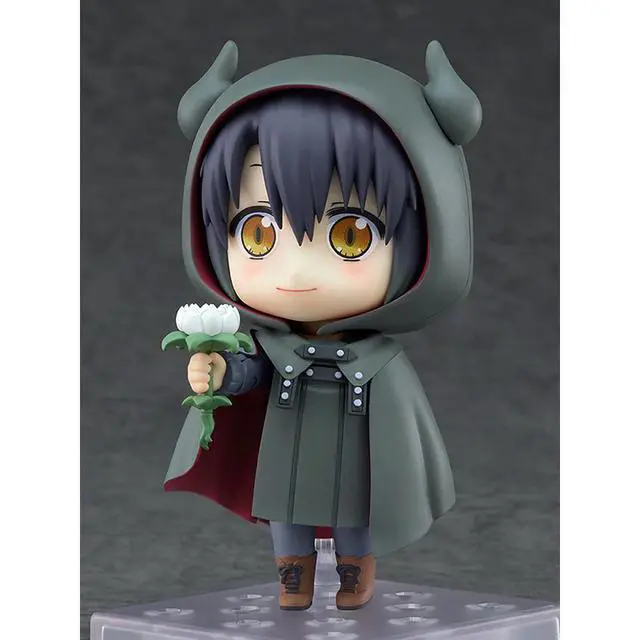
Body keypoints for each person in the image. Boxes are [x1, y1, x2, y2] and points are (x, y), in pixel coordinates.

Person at [164, 40, 482, 611]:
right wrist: (219, 372)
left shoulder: (381, 362)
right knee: (285, 513)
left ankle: (356, 576)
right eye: (258, 233)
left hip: (359, 458)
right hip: (285, 451)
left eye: (349, 235)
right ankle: (294, 579)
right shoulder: (271, 345)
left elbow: (404, 445)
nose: (296, 272)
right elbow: (249, 373)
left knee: (359, 514)